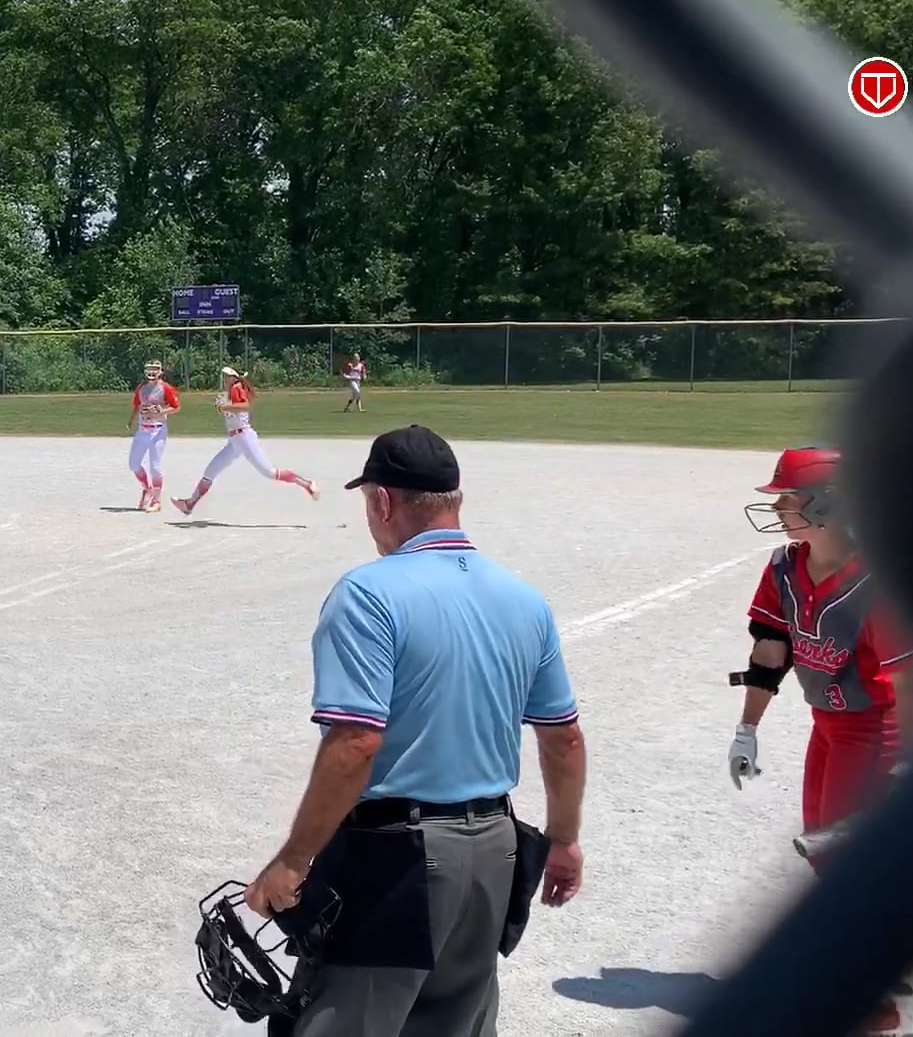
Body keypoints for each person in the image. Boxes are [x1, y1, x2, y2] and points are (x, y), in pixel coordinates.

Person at [245, 424, 587, 1037]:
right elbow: (564, 738)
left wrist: (293, 861)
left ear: (382, 501)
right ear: (454, 501)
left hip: (397, 861)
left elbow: (356, 741)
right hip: (496, 853)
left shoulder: (368, 594)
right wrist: (562, 840)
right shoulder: (523, 599)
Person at [730, 445, 913, 1033]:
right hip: (828, 727)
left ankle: (870, 1004)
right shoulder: (784, 569)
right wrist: (747, 728)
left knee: (845, 863)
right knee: (823, 849)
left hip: (875, 731)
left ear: (826, 505)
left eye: (787, 499)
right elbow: (770, 654)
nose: (777, 510)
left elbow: (907, 683)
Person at [172, 366, 319, 516]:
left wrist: (224, 407)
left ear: (235, 377)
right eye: (224, 375)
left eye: (228, 375)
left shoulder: (237, 387)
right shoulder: (232, 390)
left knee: (269, 472)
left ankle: (307, 484)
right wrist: (225, 406)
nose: (225, 378)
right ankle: (189, 504)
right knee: (210, 472)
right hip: (235, 441)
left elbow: (244, 406)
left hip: (244, 437)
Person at [127, 359, 180, 511]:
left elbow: (176, 407)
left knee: (155, 466)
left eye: (155, 369)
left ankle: (156, 501)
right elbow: (137, 405)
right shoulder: (141, 388)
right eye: (149, 369)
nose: (152, 372)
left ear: (160, 371)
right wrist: (131, 421)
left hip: (158, 429)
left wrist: (161, 411)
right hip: (142, 429)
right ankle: (147, 489)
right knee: (134, 464)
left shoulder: (165, 388)